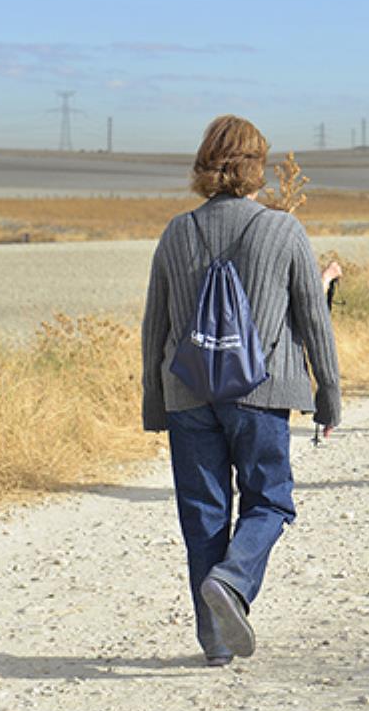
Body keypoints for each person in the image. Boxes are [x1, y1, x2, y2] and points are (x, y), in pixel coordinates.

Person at [141, 114, 342, 666]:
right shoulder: (284, 231)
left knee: (203, 514)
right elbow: (313, 322)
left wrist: (155, 402)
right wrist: (328, 394)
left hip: (187, 394)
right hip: (263, 390)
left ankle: (214, 641)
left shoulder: (177, 231)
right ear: (259, 169)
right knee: (270, 499)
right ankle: (232, 580)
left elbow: (154, 325)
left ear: (204, 166)